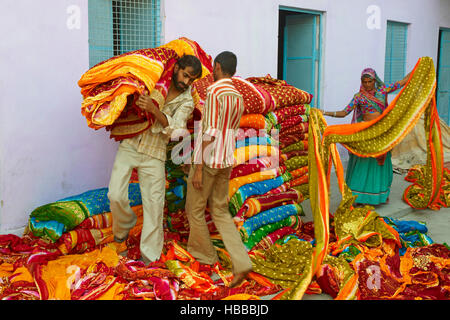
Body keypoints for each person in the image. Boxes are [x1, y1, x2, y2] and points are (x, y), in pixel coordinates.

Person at [107, 55, 202, 264]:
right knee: (115, 194)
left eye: (191, 79)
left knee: (154, 206)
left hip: (155, 153)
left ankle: (150, 258)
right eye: (185, 75)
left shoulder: (186, 100)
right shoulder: (155, 79)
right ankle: (124, 227)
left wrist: (153, 110)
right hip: (131, 144)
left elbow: (177, 130)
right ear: (176, 68)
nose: (186, 82)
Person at [185, 51, 253, 288]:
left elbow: (211, 131)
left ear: (217, 66)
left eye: (213, 68)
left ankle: (205, 256)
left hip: (210, 159)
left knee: (194, 208)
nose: (212, 71)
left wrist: (199, 168)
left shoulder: (214, 92)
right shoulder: (238, 95)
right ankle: (241, 261)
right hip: (226, 159)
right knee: (221, 211)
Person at [321, 68, 411, 206]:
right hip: (364, 132)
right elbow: (344, 112)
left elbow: (402, 82)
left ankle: (378, 196)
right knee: (363, 161)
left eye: (370, 81)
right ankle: (358, 197)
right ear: (361, 82)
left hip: (380, 132)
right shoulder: (358, 96)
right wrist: (325, 112)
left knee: (378, 162)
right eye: (365, 82)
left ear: (375, 81)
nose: (367, 84)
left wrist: (418, 67)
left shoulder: (382, 91)